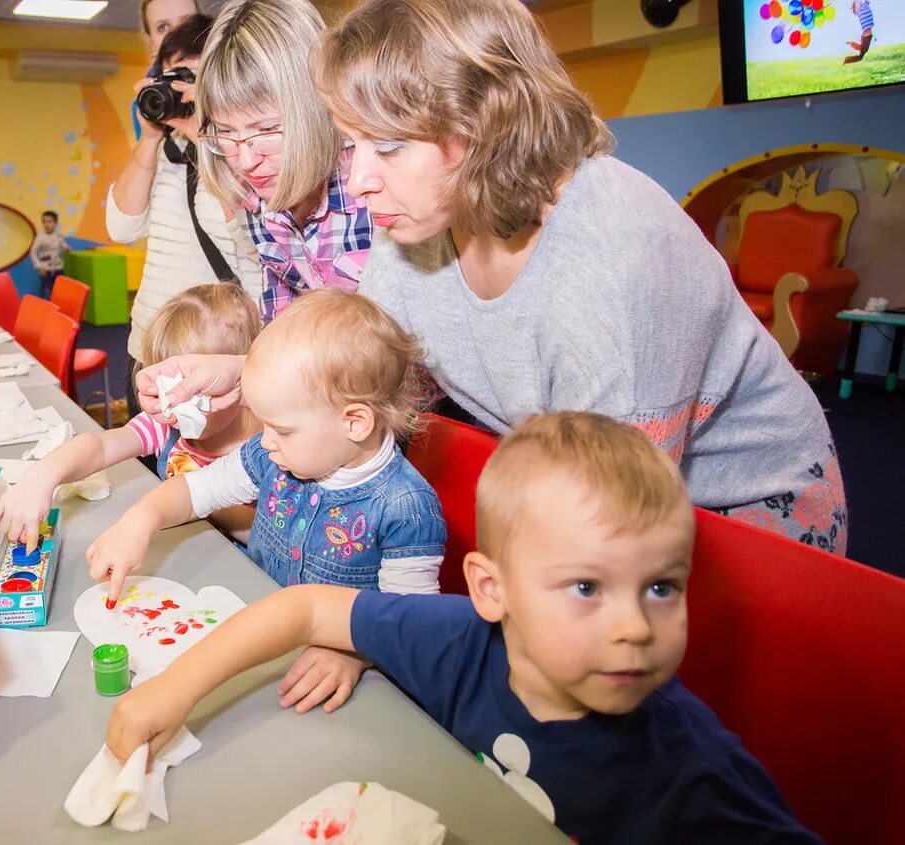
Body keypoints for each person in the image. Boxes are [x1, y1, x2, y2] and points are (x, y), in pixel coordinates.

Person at [146, 0, 847, 553]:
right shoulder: (417, 220)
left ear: (488, 125)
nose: (356, 180)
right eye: (352, 143)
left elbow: (610, 525)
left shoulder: (615, 258)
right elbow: (359, 378)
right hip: (581, 482)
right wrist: (242, 371)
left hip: (738, 512)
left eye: (386, 146)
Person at [102, 412, 820, 843]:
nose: (634, 626)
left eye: (662, 586)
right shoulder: (458, 637)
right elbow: (306, 607)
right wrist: (174, 688)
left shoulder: (698, 773)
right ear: (490, 589)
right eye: (585, 587)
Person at [87, 290, 445, 604]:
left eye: (282, 430)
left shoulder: (406, 509)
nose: (265, 440)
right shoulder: (271, 454)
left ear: (354, 422)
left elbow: (407, 626)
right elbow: (195, 488)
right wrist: (139, 521)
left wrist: (353, 652)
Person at [0, 285, 262, 547]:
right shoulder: (165, 427)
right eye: (165, 387)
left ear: (235, 376)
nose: (174, 406)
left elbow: (267, 534)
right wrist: (42, 476)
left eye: (192, 388)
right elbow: (99, 446)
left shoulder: (271, 441)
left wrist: (198, 498)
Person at [109, 14, 263, 416]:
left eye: (192, 76)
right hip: (147, 343)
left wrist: (206, 136)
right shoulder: (163, 151)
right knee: (147, 471)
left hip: (215, 356)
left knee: (205, 473)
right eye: (170, 74)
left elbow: (258, 245)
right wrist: (149, 138)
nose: (179, 88)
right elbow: (121, 228)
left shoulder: (245, 152)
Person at [194, 0, 373, 324]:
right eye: (224, 130)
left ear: (315, 109)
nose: (246, 162)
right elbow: (282, 300)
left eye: (267, 129)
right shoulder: (256, 196)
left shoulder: (372, 188)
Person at [131, 0, 202, 140]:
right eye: (163, 27)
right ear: (150, 40)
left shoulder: (239, 76)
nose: (176, 33)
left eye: (187, 22)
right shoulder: (149, 98)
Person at [31, 210, 69, 301]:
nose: (46, 225)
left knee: (60, 291)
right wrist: (39, 266)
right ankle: (47, 311)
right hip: (46, 270)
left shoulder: (58, 236)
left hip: (58, 268)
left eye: (49, 222)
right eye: (44, 222)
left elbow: (63, 245)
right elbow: (33, 252)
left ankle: (60, 311)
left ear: (55, 223)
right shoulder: (40, 237)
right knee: (46, 292)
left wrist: (66, 247)